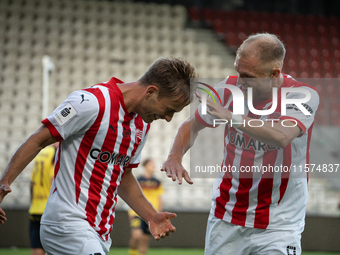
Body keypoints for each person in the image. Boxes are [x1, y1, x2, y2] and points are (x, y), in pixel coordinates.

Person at [0, 57, 198, 255]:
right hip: (67, 224)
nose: (168, 118)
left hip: (99, 233)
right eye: (169, 110)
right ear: (151, 92)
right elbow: (38, 139)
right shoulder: (91, 103)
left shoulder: (142, 125)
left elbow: (123, 176)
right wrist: (4, 183)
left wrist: (151, 216)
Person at [161, 33, 319, 255]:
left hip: (278, 224)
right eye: (238, 71)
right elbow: (191, 125)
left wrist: (230, 117)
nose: (240, 81)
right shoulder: (228, 89)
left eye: (247, 76)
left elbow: (282, 135)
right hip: (226, 217)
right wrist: (174, 157)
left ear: (274, 74)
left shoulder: (301, 95)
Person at [128, 158, 164, 255]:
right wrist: (131, 212)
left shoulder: (157, 182)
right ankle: (132, 252)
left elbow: (159, 198)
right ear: (145, 166)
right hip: (137, 212)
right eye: (151, 165)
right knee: (136, 236)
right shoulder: (138, 180)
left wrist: (158, 214)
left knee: (144, 240)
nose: (153, 167)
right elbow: (132, 196)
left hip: (151, 214)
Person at [29, 142, 58, 255]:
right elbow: (54, 179)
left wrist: (32, 203)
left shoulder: (41, 153)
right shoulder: (55, 153)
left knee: (36, 247)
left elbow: (32, 183)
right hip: (50, 209)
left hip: (35, 208)